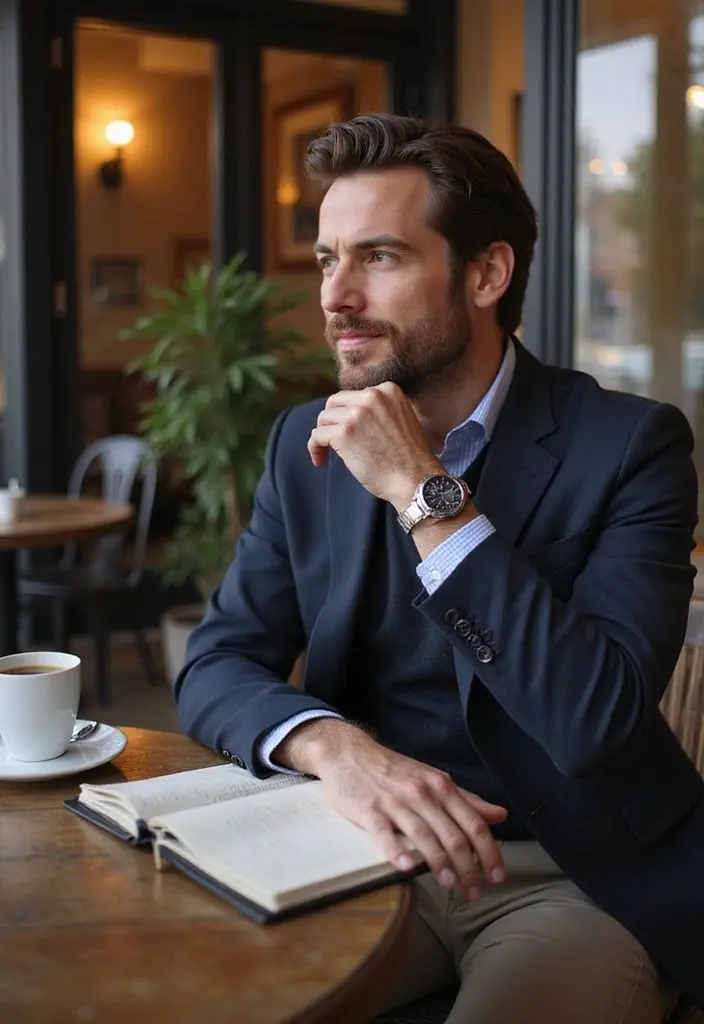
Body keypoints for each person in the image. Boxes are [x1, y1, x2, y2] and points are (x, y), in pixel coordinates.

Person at [175, 114, 704, 1023]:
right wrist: (337, 751)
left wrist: (425, 492)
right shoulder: (301, 443)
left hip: (567, 872)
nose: (337, 296)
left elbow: (596, 722)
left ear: (487, 274)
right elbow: (217, 663)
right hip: (363, 849)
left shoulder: (630, 445)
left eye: (377, 257)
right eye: (327, 259)